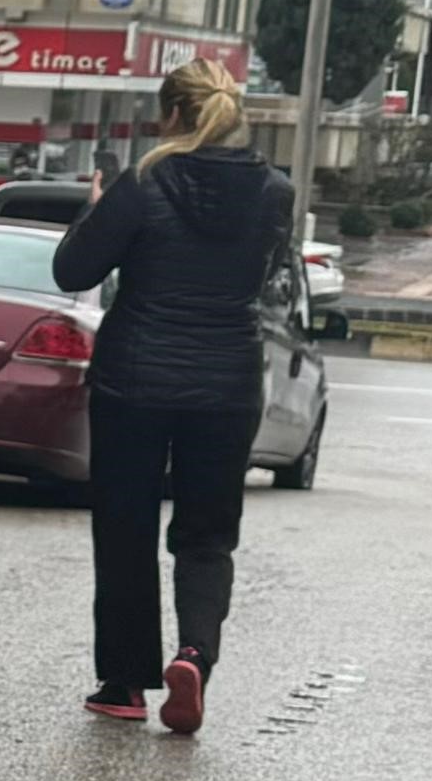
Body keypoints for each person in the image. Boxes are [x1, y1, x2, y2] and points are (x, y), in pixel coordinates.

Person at [49, 60, 292, 733]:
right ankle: (193, 654)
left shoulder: (145, 180)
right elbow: (265, 276)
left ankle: (125, 683)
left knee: (126, 527)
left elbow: (73, 269)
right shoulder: (274, 191)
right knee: (206, 534)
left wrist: (97, 211)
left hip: (134, 382)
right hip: (227, 384)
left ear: (175, 116)